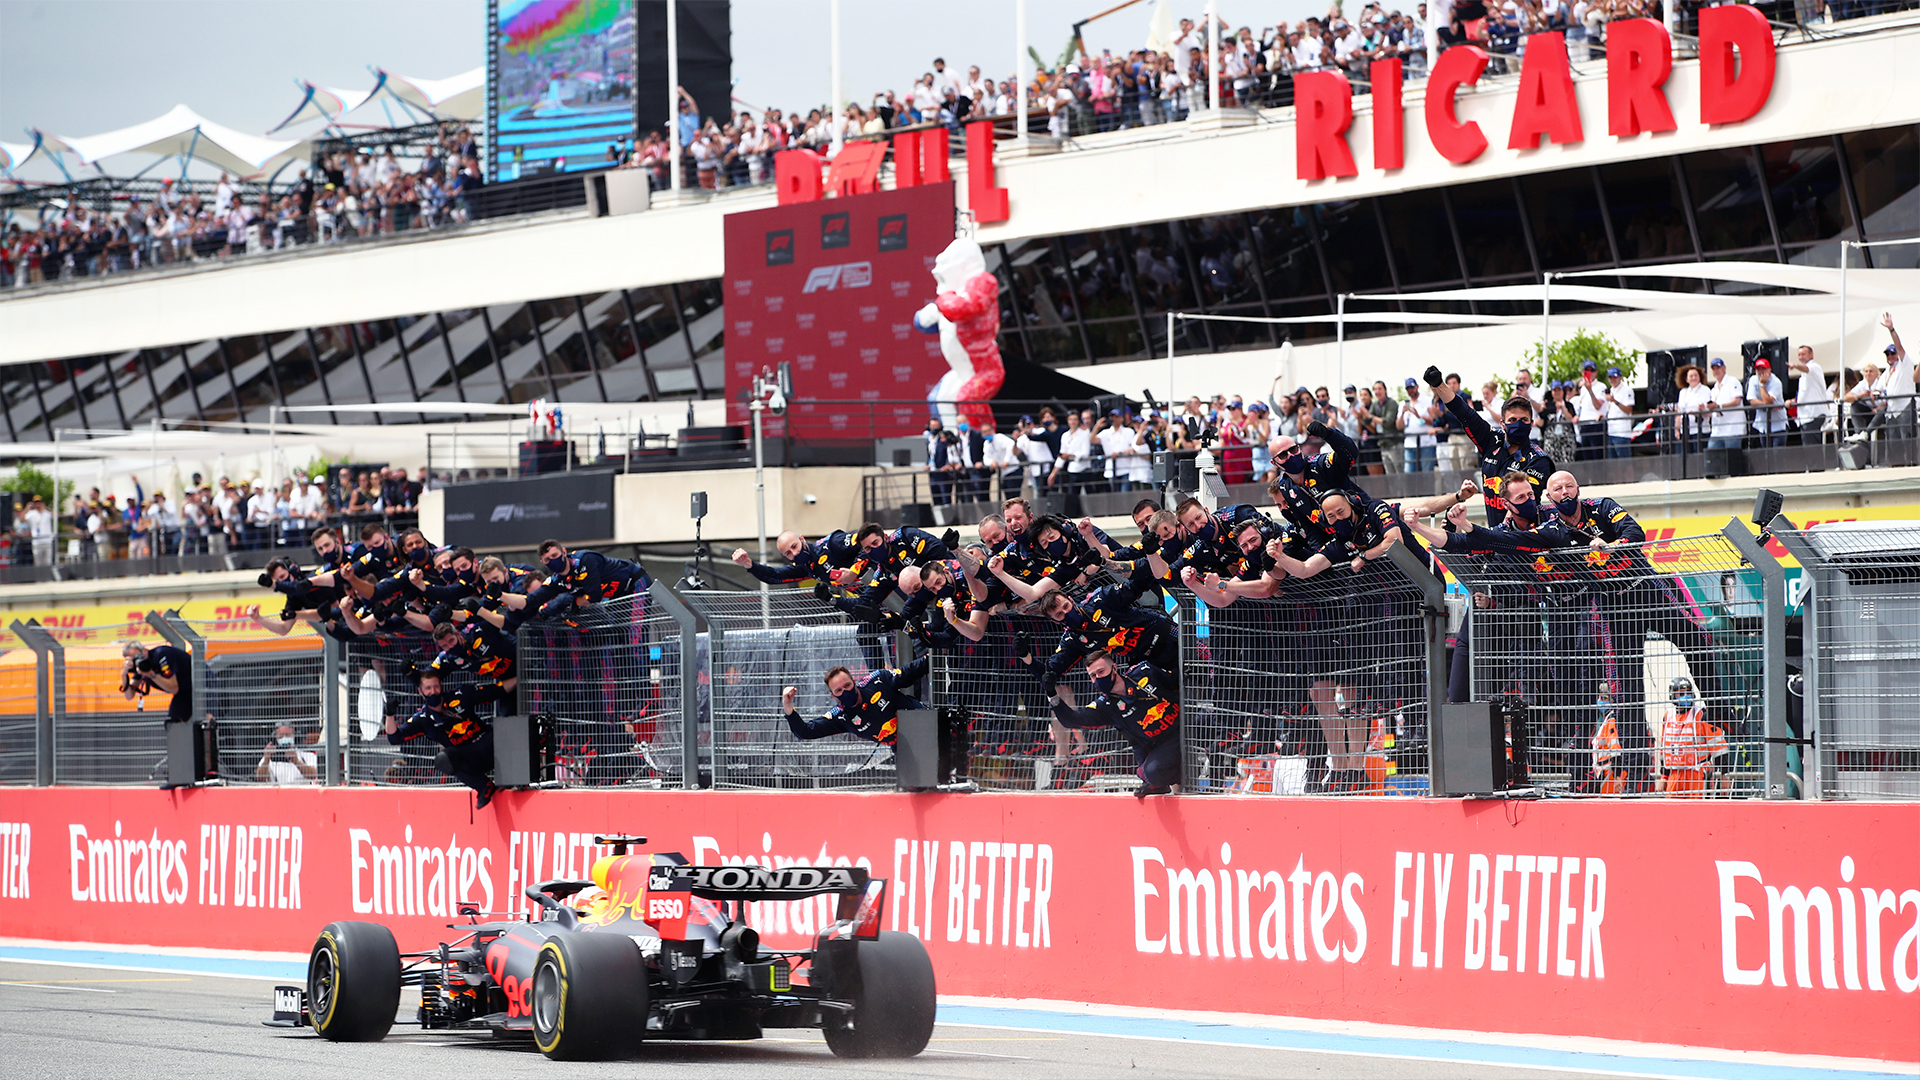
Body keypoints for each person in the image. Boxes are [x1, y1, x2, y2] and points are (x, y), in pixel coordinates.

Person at [1421, 365, 1553, 526]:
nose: (1518, 424)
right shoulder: (1491, 440)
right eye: (1512, 420)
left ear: (1531, 424)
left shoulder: (1539, 460)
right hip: (1495, 536)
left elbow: (1523, 506)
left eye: (1524, 420)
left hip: (1525, 538)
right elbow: (1464, 413)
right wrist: (1439, 385)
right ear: (1502, 424)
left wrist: (1488, 536)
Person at [1047, 650, 1181, 798]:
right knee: (1151, 773)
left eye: (1101, 671)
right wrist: (1052, 695)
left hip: (1187, 727)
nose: (1098, 678)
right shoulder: (1105, 706)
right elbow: (1071, 719)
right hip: (1163, 745)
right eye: (1093, 675)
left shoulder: (1143, 671)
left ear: (1114, 668)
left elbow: (1177, 679)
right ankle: (1169, 781)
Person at [384, 670, 498, 807]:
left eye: (436, 686)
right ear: (420, 691)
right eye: (428, 688)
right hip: (469, 758)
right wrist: (389, 714)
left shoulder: (459, 695)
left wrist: (519, 677)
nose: (433, 691)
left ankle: (519, 779)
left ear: (441, 686)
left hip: (488, 742)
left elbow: (497, 691)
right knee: (444, 759)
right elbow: (395, 738)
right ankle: (484, 787)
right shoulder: (422, 719)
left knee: (506, 730)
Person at [781, 657, 929, 745]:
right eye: (839, 691)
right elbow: (805, 732)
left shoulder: (877, 680)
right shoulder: (840, 716)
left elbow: (912, 671)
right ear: (833, 696)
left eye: (847, 685)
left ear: (854, 682)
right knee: (916, 788)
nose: (845, 692)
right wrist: (787, 705)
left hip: (926, 726)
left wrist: (936, 651)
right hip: (904, 748)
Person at [1653, 675, 1723, 797]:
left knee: (1697, 812)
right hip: (1675, 774)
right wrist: (1664, 777)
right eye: (1680, 694)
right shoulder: (1668, 716)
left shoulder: (1701, 714)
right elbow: (1665, 750)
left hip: (1698, 773)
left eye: (1688, 693)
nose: (1685, 696)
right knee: (1672, 812)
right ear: (1672, 696)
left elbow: (1719, 746)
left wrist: (1724, 775)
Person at [122, 640, 192, 725]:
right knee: (174, 721)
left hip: (201, 683)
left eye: (137, 657)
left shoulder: (161, 655)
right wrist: (124, 675)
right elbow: (129, 696)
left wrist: (151, 674)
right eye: (133, 660)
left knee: (206, 719)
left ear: (144, 651)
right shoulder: (141, 667)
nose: (137, 661)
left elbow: (174, 688)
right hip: (184, 691)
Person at [1788, 345, 1830, 444]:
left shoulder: (1815, 367)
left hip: (1814, 414)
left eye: (1803, 354)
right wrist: (1793, 401)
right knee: (1808, 446)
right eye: (1799, 355)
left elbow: (1806, 369)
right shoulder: (1803, 375)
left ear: (1811, 355)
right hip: (1805, 416)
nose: (1801, 357)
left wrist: (1795, 365)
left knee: (1812, 447)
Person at [1706, 357, 1746, 451]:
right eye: (1713, 369)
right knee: (1713, 457)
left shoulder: (1732, 381)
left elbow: (1737, 400)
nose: (1716, 371)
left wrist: (1720, 406)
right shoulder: (1714, 388)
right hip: (1717, 431)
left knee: (1731, 459)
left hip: (1732, 429)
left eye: (1718, 368)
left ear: (1724, 368)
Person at [1746, 357, 1788, 448]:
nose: (1761, 372)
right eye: (1758, 369)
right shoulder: (1753, 379)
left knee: (1777, 456)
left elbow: (1768, 400)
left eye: (1763, 369)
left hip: (1778, 426)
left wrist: (1762, 385)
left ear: (1769, 369)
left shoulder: (1776, 382)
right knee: (1766, 456)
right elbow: (1752, 401)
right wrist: (1768, 406)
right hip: (1762, 425)